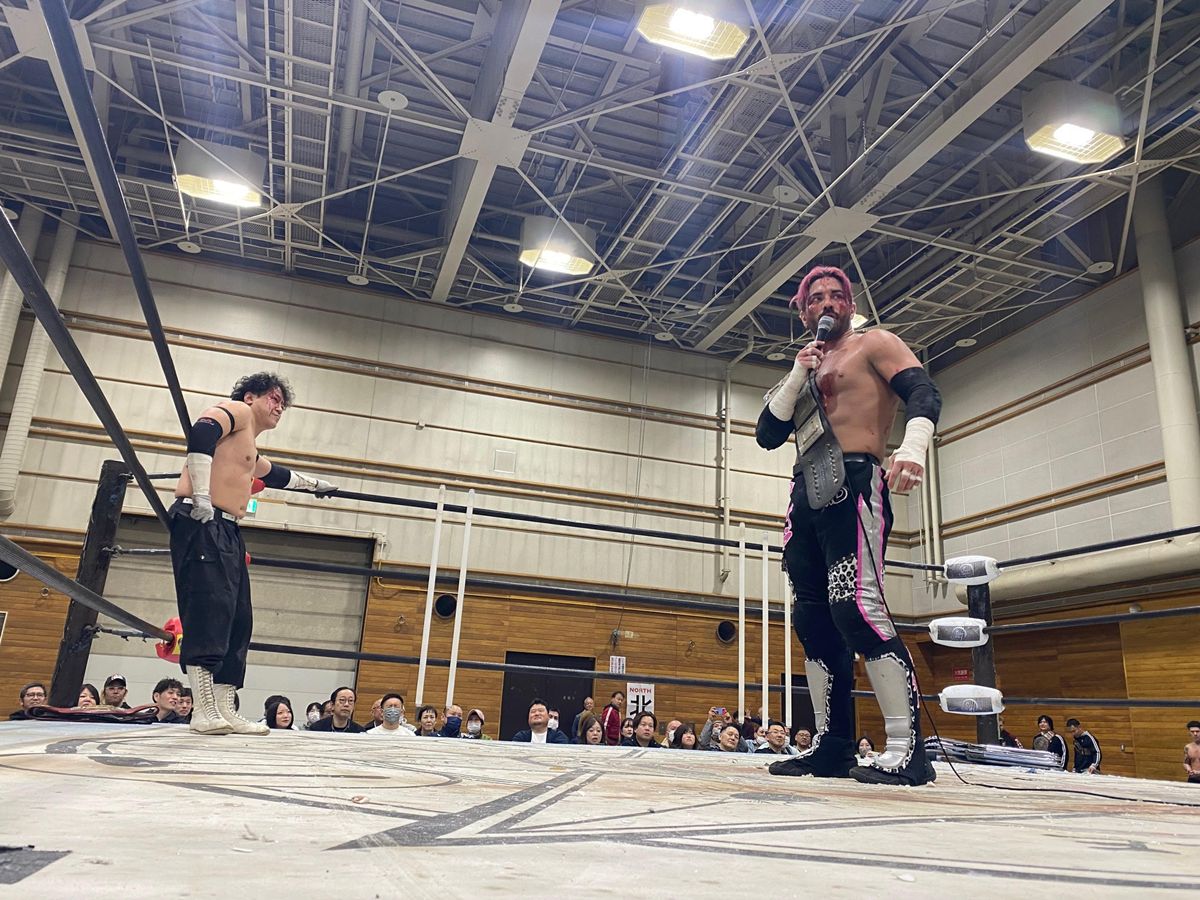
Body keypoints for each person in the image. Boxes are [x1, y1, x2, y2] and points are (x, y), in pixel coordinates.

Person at [758, 266, 940, 787]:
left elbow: (923, 392)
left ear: (851, 304)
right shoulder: (806, 366)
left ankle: (907, 748)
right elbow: (768, 433)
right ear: (803, 311)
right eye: (816, 297)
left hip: (855, 483)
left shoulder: (874, 343)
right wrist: (799, 373)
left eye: (837, 295)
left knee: (856, 607)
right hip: (805, 493)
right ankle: (831, 745)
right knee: (812, 618)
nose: (828, 303)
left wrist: (912, 448)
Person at [169, 372, 336, 736]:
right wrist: (201, 494)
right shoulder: (236, 412)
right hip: (201, 518)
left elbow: (274, 474)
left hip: (227, 528)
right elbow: (201, 433)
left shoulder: (246, 446)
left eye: (283, 403)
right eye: (274, 398)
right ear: (250, 397)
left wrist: (315, 485)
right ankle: (203, 709)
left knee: (238, 619)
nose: (279, 407)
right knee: (209, 611)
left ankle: (225, 709)